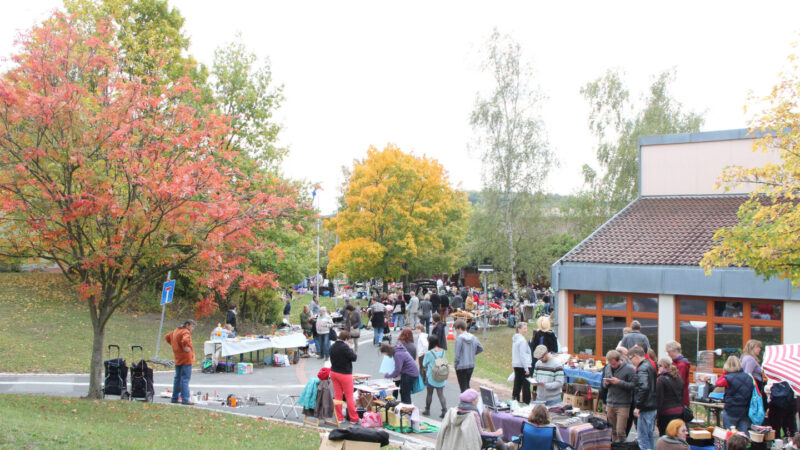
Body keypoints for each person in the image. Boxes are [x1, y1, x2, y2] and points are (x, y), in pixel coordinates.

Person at [602, 349, 635, 443]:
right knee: (612, 430)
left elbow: (633, 386)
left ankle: (622, 446)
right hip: (610, 402)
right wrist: (607, 383)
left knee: (620, 431)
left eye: (614, 364)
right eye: (610, 364)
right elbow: (604, 386)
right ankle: (614, 447)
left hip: (623, 404)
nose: (612, 366)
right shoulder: (608, 367)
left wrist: (619, 382)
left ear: (619, 360)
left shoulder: (630, 369)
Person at [715, 355, 753, 431]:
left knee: (730, 434)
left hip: (731, 410)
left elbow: (718, 383)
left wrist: (725, 373)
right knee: (744, 434)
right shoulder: (748, 377)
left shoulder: (727, 378)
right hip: (745, 410)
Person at [630, 345, 658, 450]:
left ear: (636, 356)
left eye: (631, 358)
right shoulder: (650, 365)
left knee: (642, 438)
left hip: (645, 407)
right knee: (650, 435)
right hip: (652, 405)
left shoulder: (642, 368)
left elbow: (643, 387)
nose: (631, 362)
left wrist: (638, 406)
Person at [329, 330, 359, 425]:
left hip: (334, 372)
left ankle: (339, 417)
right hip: (345, 374)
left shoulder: (332, 346)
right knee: (349, 396)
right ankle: (354, 418)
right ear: (346, 339)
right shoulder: (345, 347)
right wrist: (350, 348)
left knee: (338, 396)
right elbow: (354, 357)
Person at [165, 319, 196, 405]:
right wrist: (184, 347)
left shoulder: (176, 330)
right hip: (186, 358)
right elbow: (185, 340)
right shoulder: (186, 332)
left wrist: (175, 346)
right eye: (192, 326)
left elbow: (167, 337)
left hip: (178, 357)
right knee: (185, 379)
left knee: (177, 378)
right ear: (187, 325)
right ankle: (185, 399)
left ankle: (174, 398)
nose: (192, 328)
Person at [656, 358, 684, 437]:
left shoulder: (661, 379)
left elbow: (659, 398)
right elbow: (682, 395)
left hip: (666, 412)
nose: (658, 369)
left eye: (659, 367)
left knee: (665, 435)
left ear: (663, 366)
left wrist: (656, 415)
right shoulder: (678, 378)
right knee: (676, 434)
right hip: (679, 411)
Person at [453, 318, 483, 392]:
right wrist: (472, 353)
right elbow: (480, 348)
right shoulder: (473, 338)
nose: (456, 331)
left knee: (463, 388)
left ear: (459, 328)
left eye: (456, 329)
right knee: (467, 385)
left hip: (461, 365)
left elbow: (457, 354)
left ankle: (465, 402)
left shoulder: (459, 339)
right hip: (471, 364)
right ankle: (469, 400)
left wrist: (455, 364)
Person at [422, 334, 447, 418]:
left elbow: (424, 363)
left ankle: (427, 410)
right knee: (441, 394)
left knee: (429, 393)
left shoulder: (429, 353)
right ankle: (444, 410)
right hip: (441, 375)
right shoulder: (443, 351)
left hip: (431, 376)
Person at [741, 339, 767, 411]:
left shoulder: (746, 357)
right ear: (752, 348)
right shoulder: (750, 359)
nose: (760, 349)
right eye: (758, 347)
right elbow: (748, 374)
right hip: (755, 386)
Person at [512, 321, 532, 404]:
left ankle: (515, 400)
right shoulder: (522, 341)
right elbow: (523, 355)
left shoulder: (516, 340)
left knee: (517, 383)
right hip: (523, 365)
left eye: (526, 328)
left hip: (516, 364)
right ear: (519, 329)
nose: (525, 330)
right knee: (526, 385)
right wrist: (526, 368)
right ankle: (526, 402)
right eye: (524, 329)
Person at [666, 341, 691, 406]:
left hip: (680, 398)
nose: (668, 354)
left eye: (669, 352)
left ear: (675, 351)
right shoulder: (675, 363)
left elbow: (679, 382)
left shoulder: (681, 365)